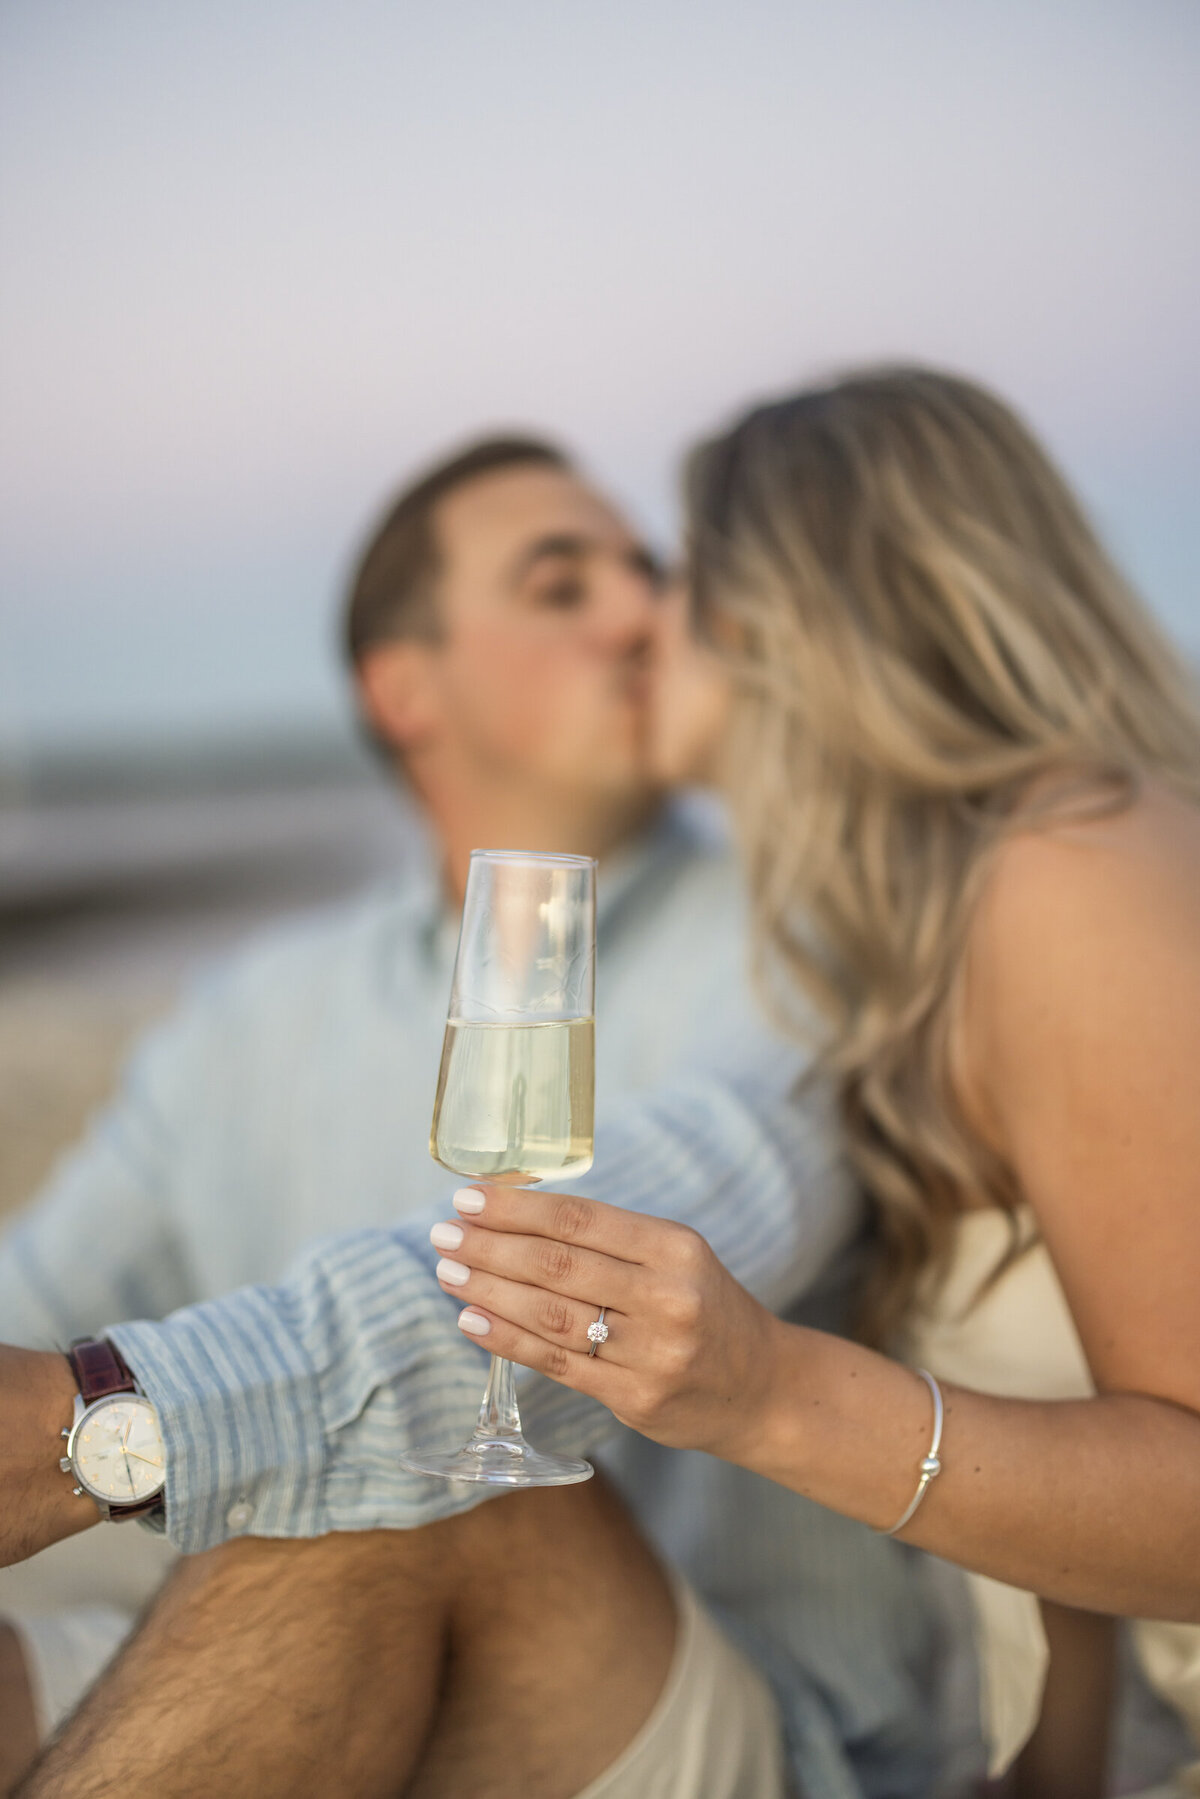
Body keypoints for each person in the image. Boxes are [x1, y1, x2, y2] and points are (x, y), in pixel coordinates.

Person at [0, 437, 947, 1797]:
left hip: (729, 1716)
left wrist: (100, 1421)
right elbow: (31, 1295)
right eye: (562, 587)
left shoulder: (803, 937)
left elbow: (688, 1203)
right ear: (405, 689)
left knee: (418, 1482)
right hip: (354, 1653)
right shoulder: (256, 1011)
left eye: (646, 573)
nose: (642, 615)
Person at [432, 369, 1200, 1797]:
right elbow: (1072, 1572)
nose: (643, 624)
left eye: (676, 573)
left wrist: (769, 1394)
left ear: (785, 615)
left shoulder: (1073, 872)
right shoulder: (979, 902)